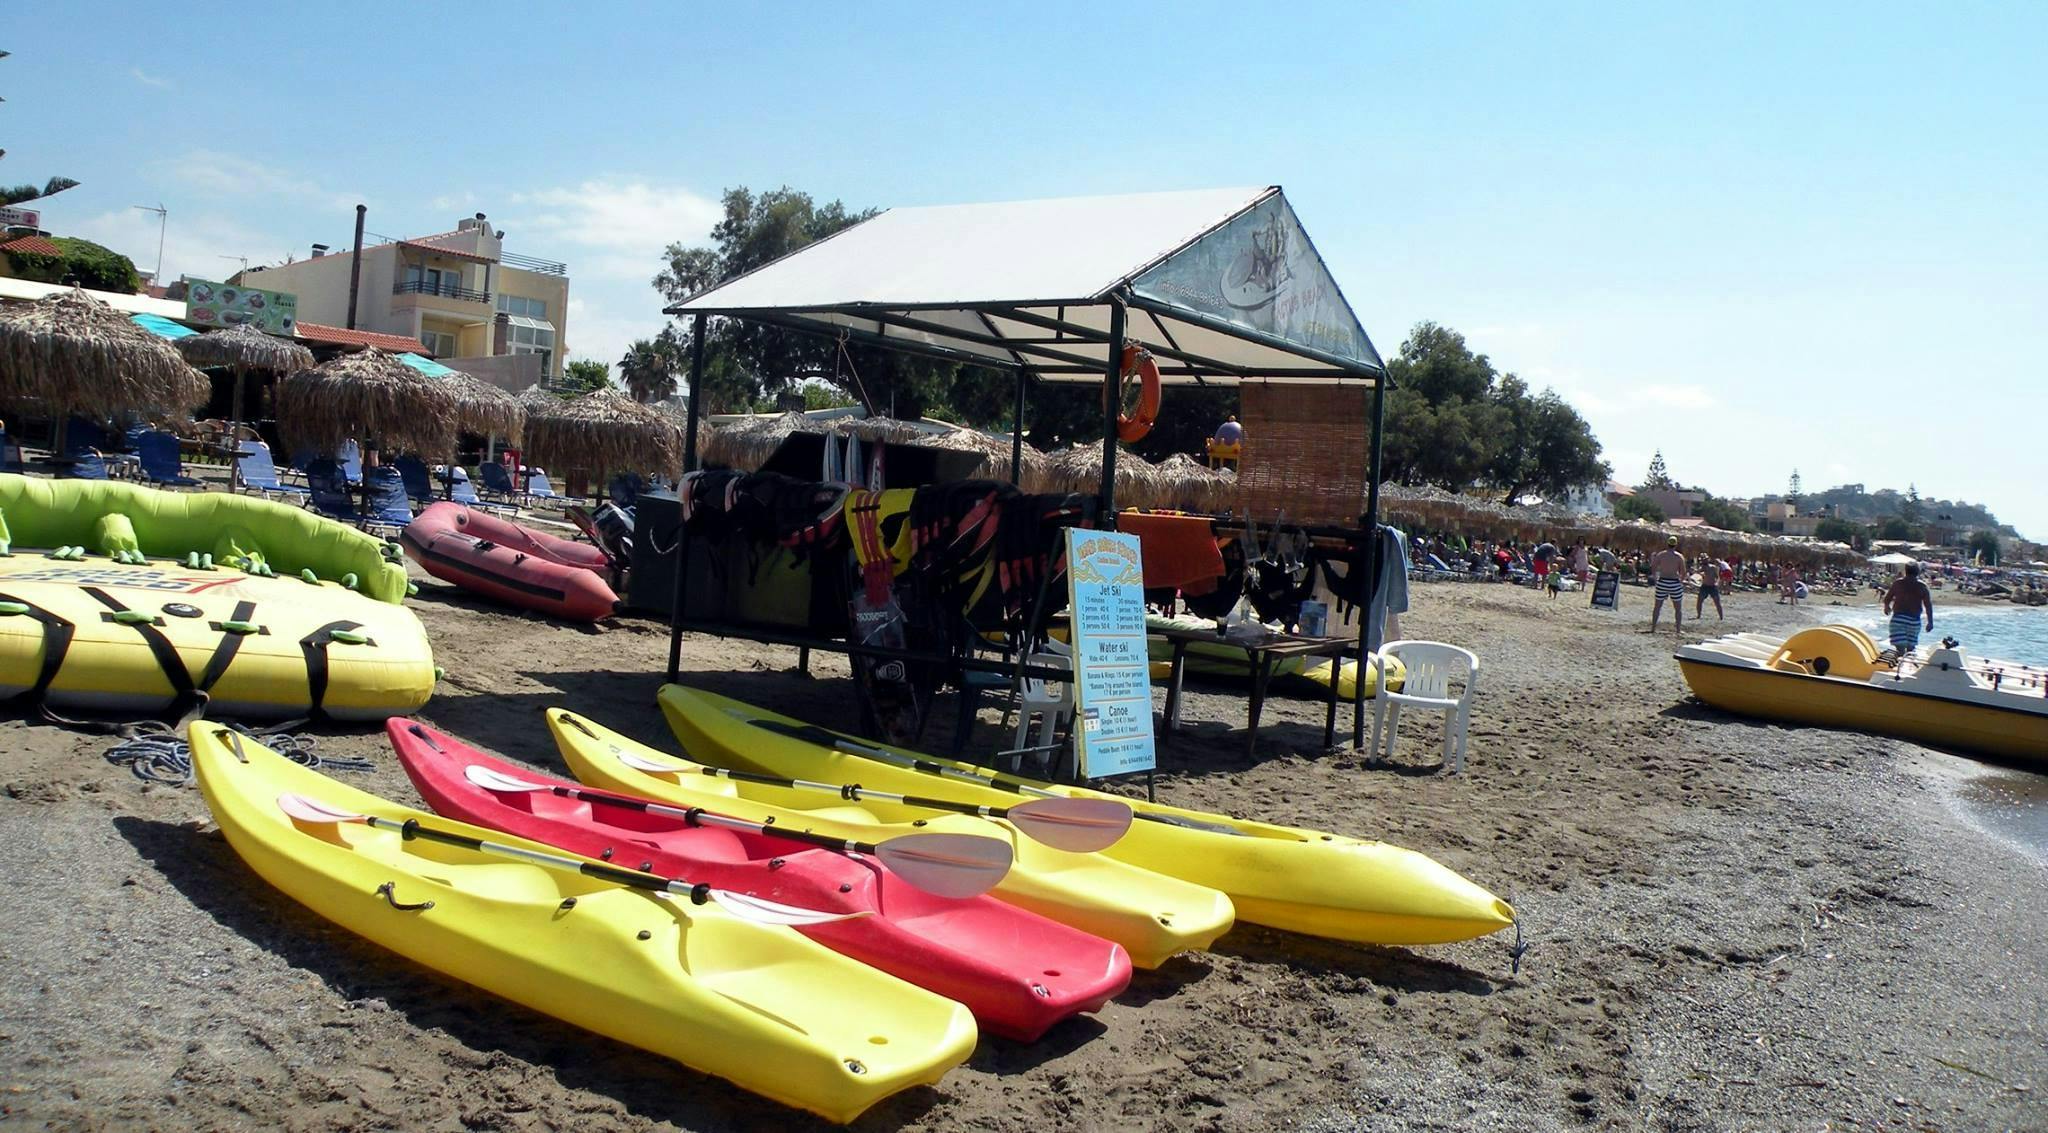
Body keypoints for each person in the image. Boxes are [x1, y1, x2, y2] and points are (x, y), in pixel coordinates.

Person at [1882, 563, 1936, 659]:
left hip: (1898, 619)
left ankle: (1898, 668)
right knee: (1910, 650)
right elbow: (1928, 605)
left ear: (1905, 571)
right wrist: (1930, 622)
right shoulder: (1922, 586)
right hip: (1914, 621)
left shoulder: (1898, 583)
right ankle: (1907, 668)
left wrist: (1887, 607)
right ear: (1918, 572)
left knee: (1900, 650)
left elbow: (1887, 598)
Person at [1647, 536, 1687, 637]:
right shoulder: (1679, 556)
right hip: (1674, 582)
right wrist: (1680, 582)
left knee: (1657, 607)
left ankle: (1653, 628)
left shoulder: (1661, 555)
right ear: (1676, 544)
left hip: (1663, 581)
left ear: (1667, 543)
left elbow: (1653, 567)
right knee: (1678, 608)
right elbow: (1683, 572)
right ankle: (1678, 630)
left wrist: (1656, 579)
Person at [1695, 555, 1726, 621]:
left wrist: (1717, 583)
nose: (1704, 561)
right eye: (1703, 560)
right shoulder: (1702, 568)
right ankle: (1698, 615)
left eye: (1705, 559)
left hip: (1712, 586)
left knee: (1717, 602)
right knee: (1699, 601)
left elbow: (1717, 576)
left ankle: (1721, 617)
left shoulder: (1713, 567)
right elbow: (1697, 572)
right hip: (1705, 586)